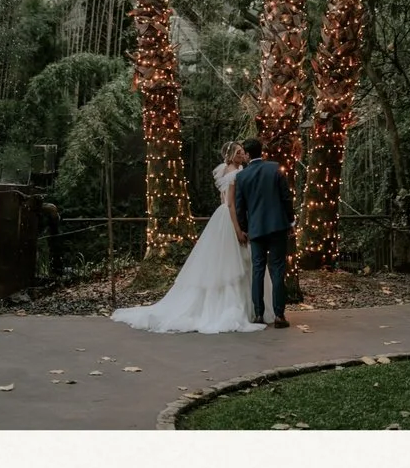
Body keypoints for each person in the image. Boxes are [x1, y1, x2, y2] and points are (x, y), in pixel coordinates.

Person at [112, 141, 261, 337]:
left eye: (243, 152)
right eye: (239, 152)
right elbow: (231, 204)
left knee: (223, 261)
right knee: (232, 261)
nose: (242, 155)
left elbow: (223, 201)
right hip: (230, 218)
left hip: (220, 216)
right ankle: (232, 307)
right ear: (232, 155)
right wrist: (238, 229)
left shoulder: (226, 170)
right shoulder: (235, 174)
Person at [231, 135, 295, 328]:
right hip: (277, 226)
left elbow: (240, 207)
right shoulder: (275, 168)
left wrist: (244, 229)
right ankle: (279, 315)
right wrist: (291, 220)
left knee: (258, 270)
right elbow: (286, 198)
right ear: (262, 152)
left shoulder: (242, 176)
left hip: (256, 229)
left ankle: (259, 314)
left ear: (248, 155)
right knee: (278, 269)